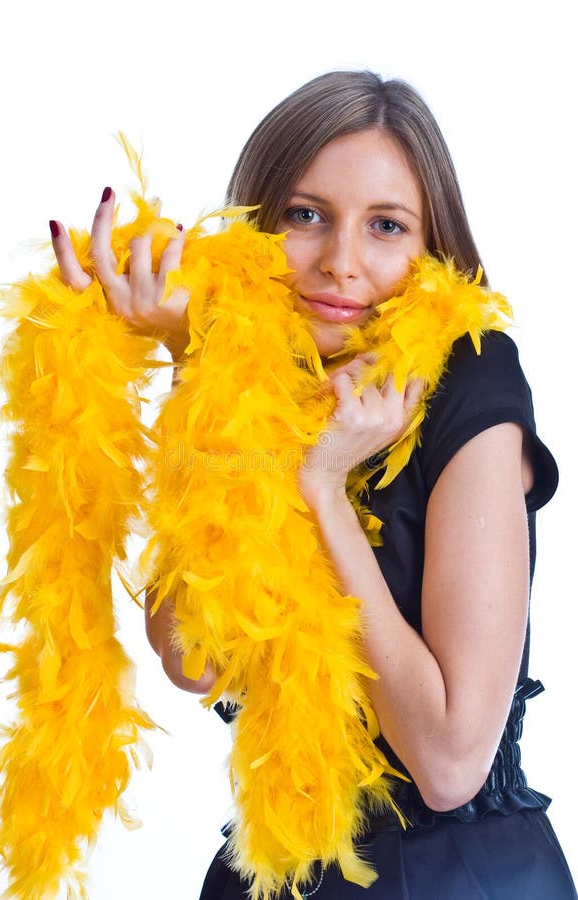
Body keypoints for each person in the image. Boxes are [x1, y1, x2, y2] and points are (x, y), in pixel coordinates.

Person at [50, 71, 577, 899]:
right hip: (278, 868)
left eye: (386, 226)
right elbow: (191, 657)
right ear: (258, 227)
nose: (341, 263)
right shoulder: (265, 384)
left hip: (446, 878)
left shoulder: (473, 383)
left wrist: (323, 487)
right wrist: (205, 371)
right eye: (307, 216)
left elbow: (448, 763)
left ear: (430, 246)